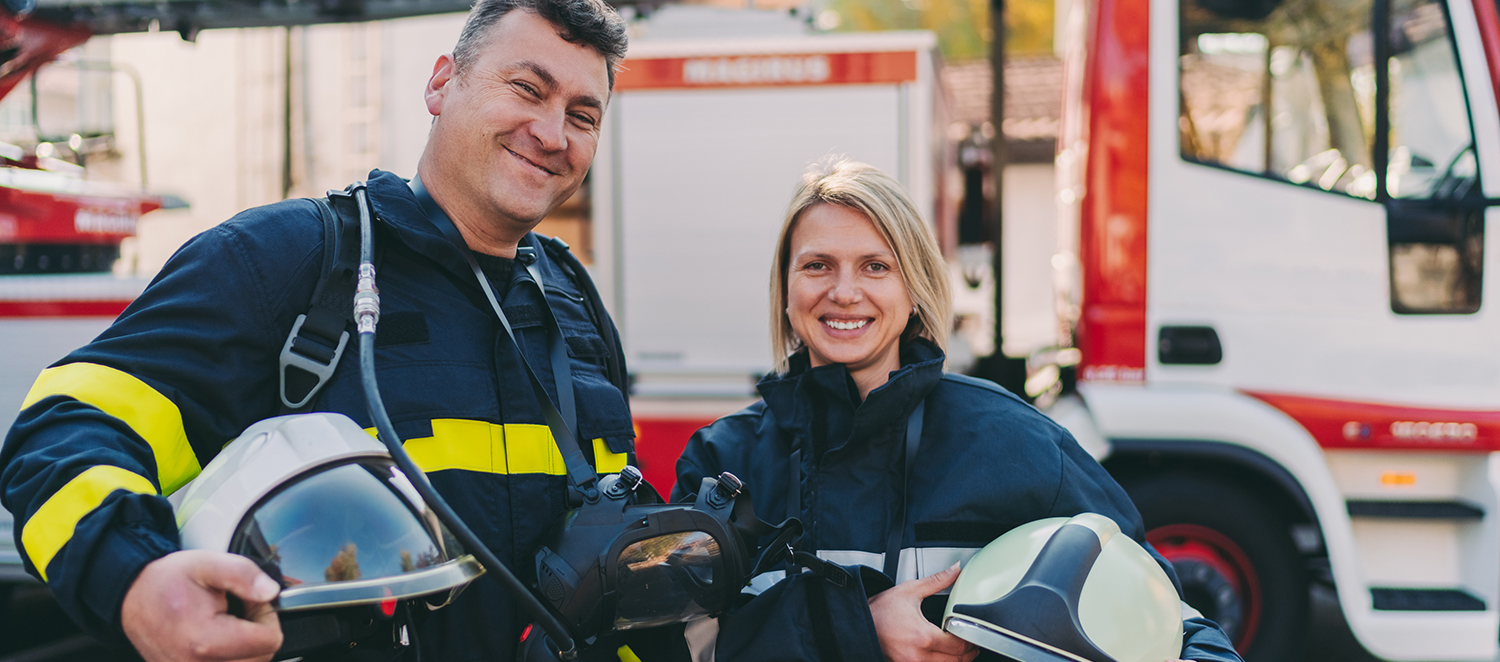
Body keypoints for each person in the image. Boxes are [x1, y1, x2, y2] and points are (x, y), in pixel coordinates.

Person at [0, 1, 633, 660]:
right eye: (527, 89)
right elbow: (62, 428)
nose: (553, 132)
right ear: (442, 83)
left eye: (582, 116)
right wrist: (133, 578)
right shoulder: (288, 260)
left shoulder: (573, 302)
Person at [670, 159, 1245, 662]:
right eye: (817, 265)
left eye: (876, 266)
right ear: (786, 287)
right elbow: (675, 642)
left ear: (914, 285)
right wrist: (860, 629)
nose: (844, 291)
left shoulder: (1012, 443)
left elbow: (1155, 608)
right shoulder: (725, 461)